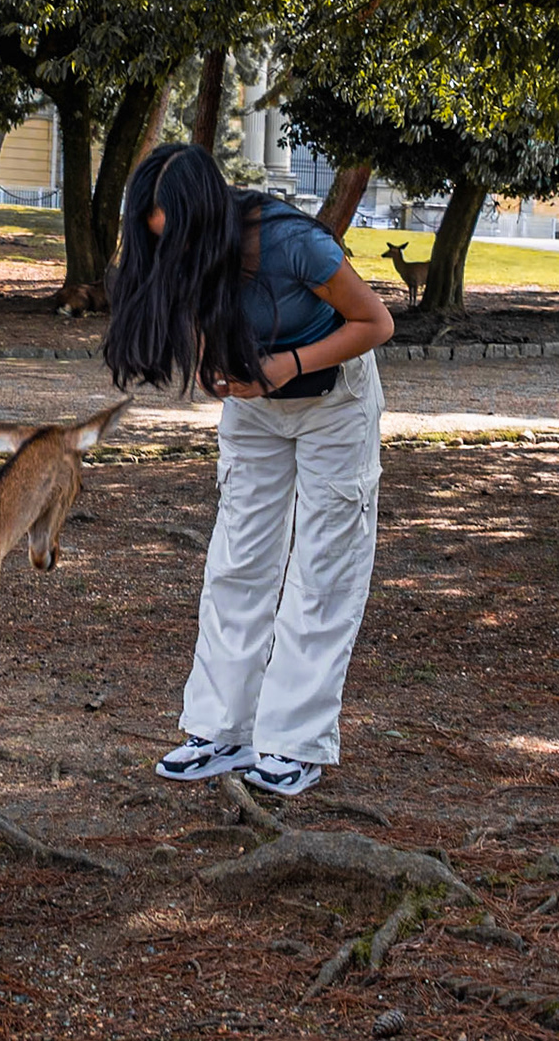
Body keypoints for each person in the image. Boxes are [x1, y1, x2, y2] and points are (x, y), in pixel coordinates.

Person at [104, 144, 393, 795]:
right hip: (255, 403)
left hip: (333, 401)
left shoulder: (294, 245)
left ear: (206, 218)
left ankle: (294, 742)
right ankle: (219, 731)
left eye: (174, 235)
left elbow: (376, 321)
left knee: (323, 564)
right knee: (238, 561)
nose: (167, 251)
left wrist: (288, 365)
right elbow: (195, 312)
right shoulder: (181, 251)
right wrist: (214, 366)